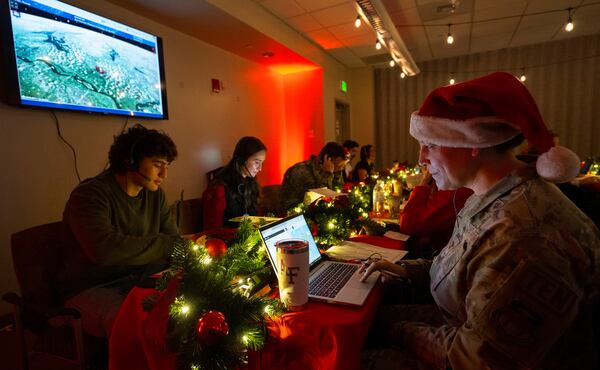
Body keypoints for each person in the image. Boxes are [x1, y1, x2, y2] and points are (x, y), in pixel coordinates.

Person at [360, 72, 600, 369]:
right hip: (463, 328)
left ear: (472, 142)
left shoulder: (522, 231)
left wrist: (395, 331)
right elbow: (463, 267)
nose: (421, 159)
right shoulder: (491, 195)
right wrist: (406, 271)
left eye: (431, 145)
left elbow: (473, 358)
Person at [60, 124, 181, 338]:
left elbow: (174, 241)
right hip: (92, 286)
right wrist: (167, 245)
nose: (164, 174)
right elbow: (104, 250)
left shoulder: (155, 194)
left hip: (140, 278)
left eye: (167, 166)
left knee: (189, 310)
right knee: (142, 327)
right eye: (157, 164)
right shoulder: (89, 195)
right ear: (130, 160)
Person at [399, 167, 473, 259]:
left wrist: (424, 183)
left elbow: (408, 224)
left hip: (440, 259)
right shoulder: (453, 184)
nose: (421, 161)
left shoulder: (455, 190)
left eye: (430, 151)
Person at [202, 136, 266, 229]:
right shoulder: (219, 187)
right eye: (257, 162)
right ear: (242, 159)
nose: (260, 169)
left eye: (262, 163)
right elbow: (212, 229)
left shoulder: (251, 183)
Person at [280, 142, 347, 211]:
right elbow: (318, 199)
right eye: (338, 166)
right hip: (295, 213)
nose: (341, 169)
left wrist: (336, 175)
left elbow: (337, 191)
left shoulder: (333, 171)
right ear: (327, 159)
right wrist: (327, 174)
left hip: (314, 212)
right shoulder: (303, 171)